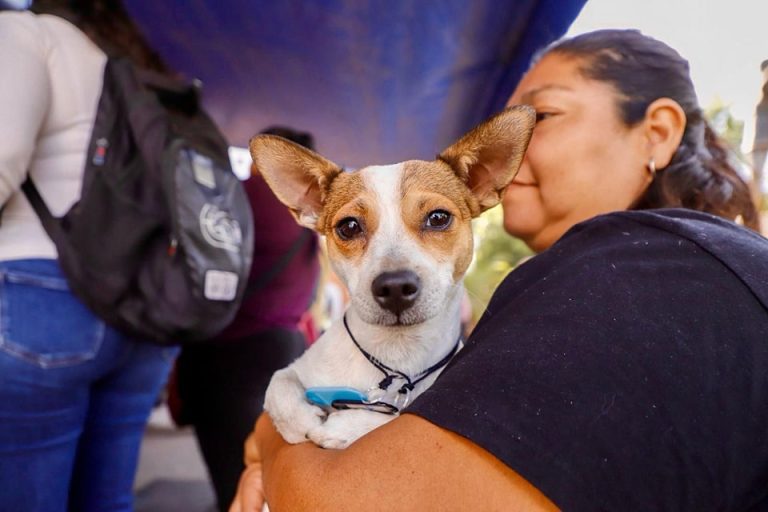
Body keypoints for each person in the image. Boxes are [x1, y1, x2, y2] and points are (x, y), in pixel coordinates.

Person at [229, 29, 768, 512]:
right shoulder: (690, 263)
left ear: (656, 132)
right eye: (351, 229)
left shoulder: (644, 275)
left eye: (543, 116)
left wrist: (273, 440)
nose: (509, 146)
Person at [0, 2, 179, 511]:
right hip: (141, 311)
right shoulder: (139, 74)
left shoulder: (25, 33)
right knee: (105, 501)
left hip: (43, 297)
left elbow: (3, 153)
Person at [175, 127, 320, 511]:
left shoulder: (244, 196)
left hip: (230, 354)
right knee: (270, 473)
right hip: (287, 349)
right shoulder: (315, 211)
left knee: (234, 482)